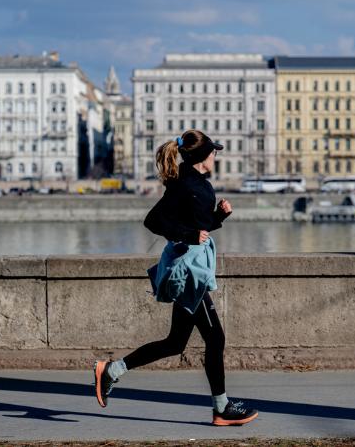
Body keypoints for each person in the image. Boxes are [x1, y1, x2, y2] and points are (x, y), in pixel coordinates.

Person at [93, 129, 259, 426]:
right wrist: (188, 234)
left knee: (175, 343)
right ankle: (221, 408)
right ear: (203, 156)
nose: (216, 155)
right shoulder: (184, 183)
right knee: (215, 337)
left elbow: (199, 226)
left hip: (192, 268)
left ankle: (112, 370)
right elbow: (154, 221)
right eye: (213, 151)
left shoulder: (196, 182)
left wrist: (218, 217)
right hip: (188, 272)